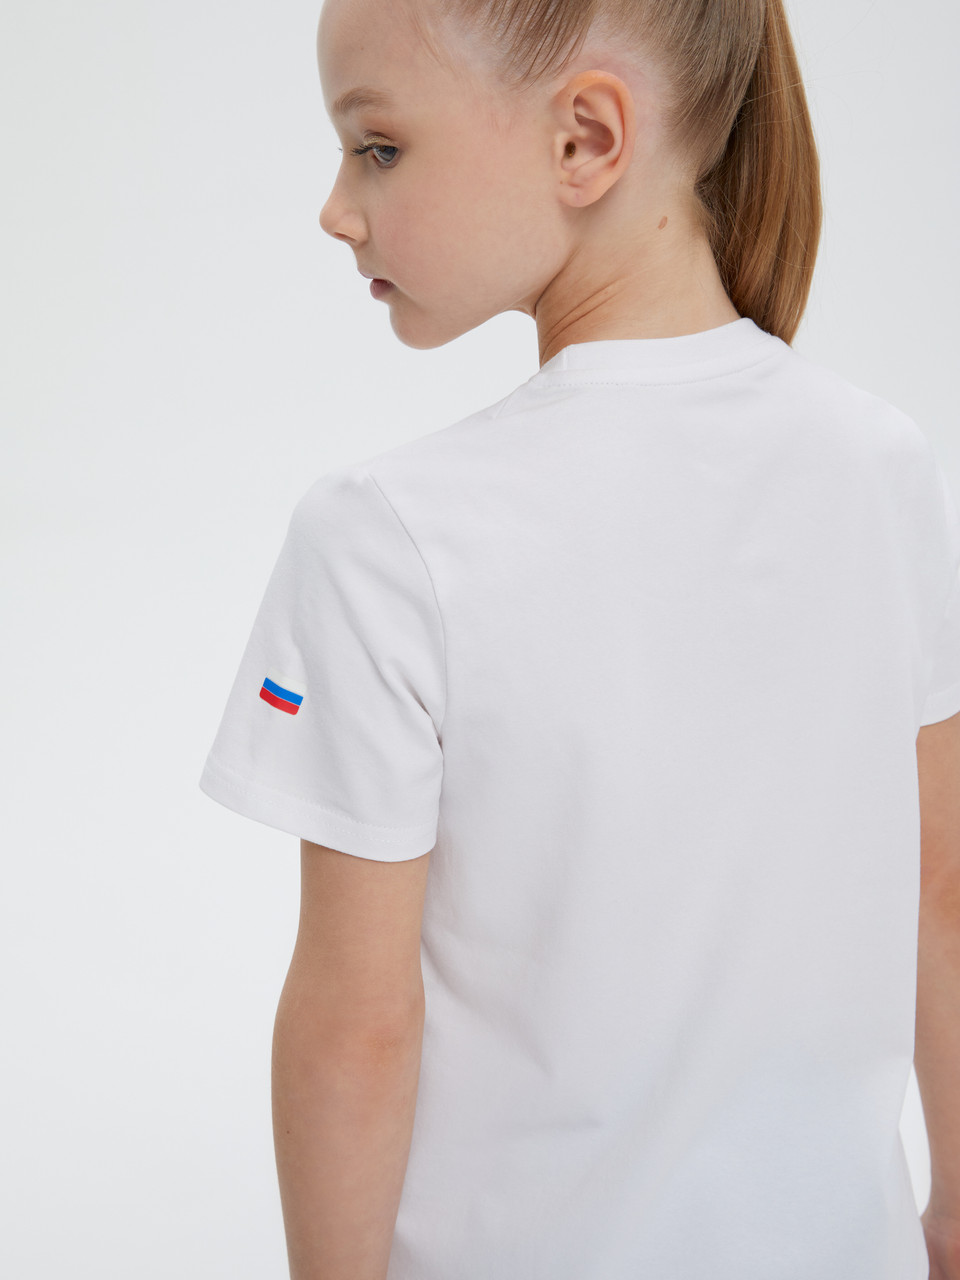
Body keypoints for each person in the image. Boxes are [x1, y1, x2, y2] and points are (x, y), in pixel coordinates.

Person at [198, 0, 960, 1276]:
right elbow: (944, 890)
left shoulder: (387, 536)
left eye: (377, 147)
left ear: (587, 140)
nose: (337, 208)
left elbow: (357, 1026)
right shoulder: (885, 467)